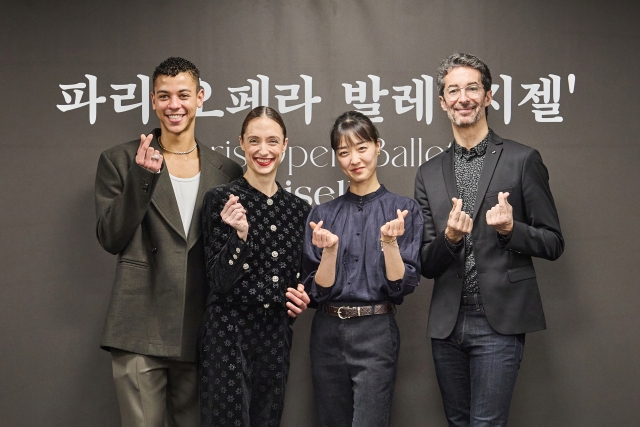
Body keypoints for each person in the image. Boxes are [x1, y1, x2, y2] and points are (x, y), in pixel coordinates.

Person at [414, 53, 564, 426]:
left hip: (499, 320)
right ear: (442, 101)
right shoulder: (428, 173)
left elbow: (553, 242)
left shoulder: (522, 159)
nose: (463, 97)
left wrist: (511, 230)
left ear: (488, 96)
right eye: (453, 90)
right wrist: (449, 237)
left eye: (471, 88)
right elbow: (425, 262)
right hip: (447, 323)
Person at [95, 57, 243, 427]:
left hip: (202, 328)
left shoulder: (226, 170)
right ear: (152, 100)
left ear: (200, 97)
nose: (174, 105)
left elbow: (232, 252)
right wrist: (142, 177)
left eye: (183, 95)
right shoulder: (119, 159)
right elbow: (111, 237)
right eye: (164, 96)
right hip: (139, 323)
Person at [301, 111, 422, 427]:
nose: (354, 158)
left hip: (376, 330)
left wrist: (390, 242)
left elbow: (401, 287)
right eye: (344, 152)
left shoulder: (404, 210)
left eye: (362, 147)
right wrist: (329, 251)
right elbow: (316, 293)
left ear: (378, 146)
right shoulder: (322, 214)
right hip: (326, 333)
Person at [199, 106, 311, 427]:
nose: (264, 151)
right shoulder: (222, 199)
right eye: (255, 141)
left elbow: (302, 278)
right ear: (242, 144)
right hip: (227, 332)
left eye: (272, 141)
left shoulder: (299, 209)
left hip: (275, 334)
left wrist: (305, 294)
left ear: (285, 145)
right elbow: (218, 281)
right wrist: (240, 236)